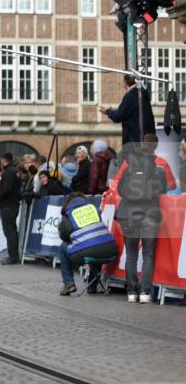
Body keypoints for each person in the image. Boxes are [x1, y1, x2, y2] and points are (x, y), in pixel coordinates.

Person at [113, 135, 167, 303]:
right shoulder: (159, 169)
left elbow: (120, 190)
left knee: (131, 255)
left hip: (130, 215)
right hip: (150, 215)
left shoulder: (128, 168)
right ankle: (144, 293)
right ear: (154, 149)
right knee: (148, 254)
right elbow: (163, 191)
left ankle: (131, 292)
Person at [56, 192, 118, 296]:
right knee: (96, 245)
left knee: (64, 246)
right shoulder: (93, 208)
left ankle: (69, 284)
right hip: (110, 251)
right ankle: (92, 287)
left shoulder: (68, 213)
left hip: (88, 252)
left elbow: (64, 236)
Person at [101, 74, 156, 146]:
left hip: (135, 141)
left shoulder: (131, 95)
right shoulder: (143, 94)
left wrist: (107, 111)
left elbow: (118, 117)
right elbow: (131, 112)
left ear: (125, 83)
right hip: (147, 139)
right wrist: (115, 110)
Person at [0, 152, 21, 265]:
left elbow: (6, 189)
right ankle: (13, 255)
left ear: (4, 161)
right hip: (13, 204)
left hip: (8, 205)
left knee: (9, 231)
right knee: (11, 230)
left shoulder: (8, 172)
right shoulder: (15, 171)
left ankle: (13, 256)